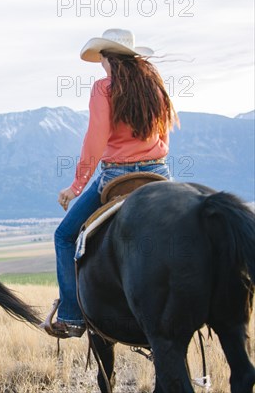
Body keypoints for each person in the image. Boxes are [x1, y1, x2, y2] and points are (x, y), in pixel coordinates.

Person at [43, 29, 178, 338]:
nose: (101, 65)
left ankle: (71, 316)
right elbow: (164, 134)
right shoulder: (154, 86)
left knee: (64, 236)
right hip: (159, 174)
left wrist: (76, 186)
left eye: (101, 59)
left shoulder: (104, 88)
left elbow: (96, 139)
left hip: (117, 175)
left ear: (109, 59)